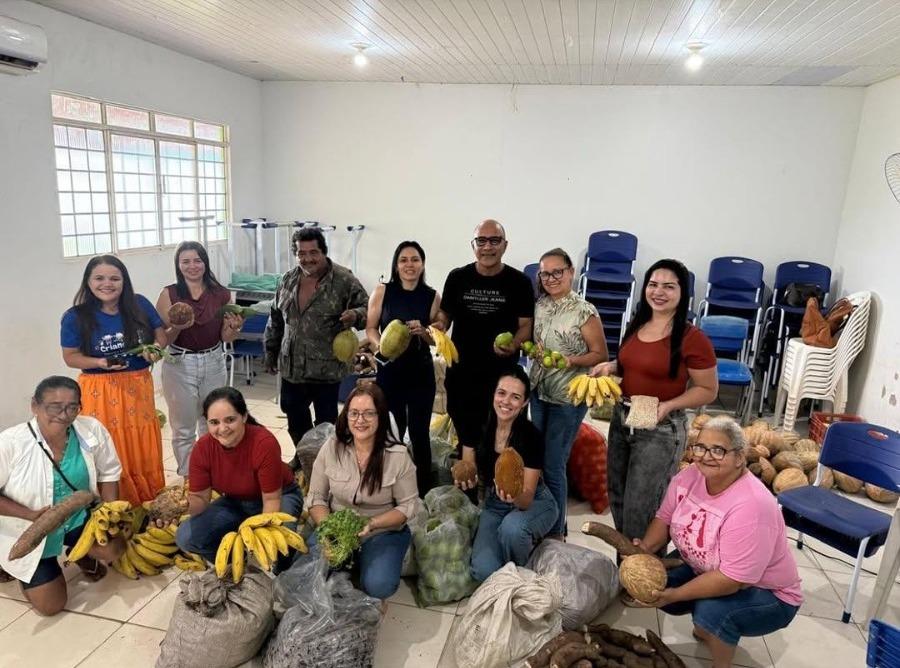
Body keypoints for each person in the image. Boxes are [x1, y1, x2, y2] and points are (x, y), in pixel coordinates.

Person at [637, 416, 802, 668]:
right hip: (709, 568)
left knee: (710, 609)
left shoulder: (752, 506)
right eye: (700, 447)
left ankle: (720, 659)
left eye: (718, 450)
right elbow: (664, 518)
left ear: (739, 457)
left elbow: (732, 580)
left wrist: (675, 595)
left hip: (770, 594)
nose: (705, 456)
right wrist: (644, 552)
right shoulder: (689, 476)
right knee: (657, 579)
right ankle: (708, 628)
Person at [590, 259, 718, 550]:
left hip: (660, 428)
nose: (659, 292)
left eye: (669, 286)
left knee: (643, 512)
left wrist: (669, 405)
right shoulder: (638, 324)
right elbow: (635, 364)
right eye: (653, 284)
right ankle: (630, 572)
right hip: (623, 418)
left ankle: (647, 581)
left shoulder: (692, 338)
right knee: (619, 500)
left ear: (682, 293)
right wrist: (611, 367)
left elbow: (708, 390)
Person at [0, 376, 125, 616]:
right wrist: (29, 514)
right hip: (30, 530)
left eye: (72, 407)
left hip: (78, 517)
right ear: (35, 406)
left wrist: (110, 514)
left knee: (114, 548)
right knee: (51, 606)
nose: (64, 414)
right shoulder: (10, 443)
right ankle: (19, 567)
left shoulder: (91, 429)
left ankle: (79, 552)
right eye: (54, 406)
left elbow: (109, 471)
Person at [61, 255, 167, 505]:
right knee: (106, 443)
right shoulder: (75, 316)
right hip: (99, 389)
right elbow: (70, 357)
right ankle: (112, 506)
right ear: (88, 282)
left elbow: (160, 336)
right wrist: (99, 363)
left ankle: (146, 501)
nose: (106, 284)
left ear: (124, 281)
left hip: (137, 386)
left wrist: (154, 350)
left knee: (140, 442)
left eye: (114, 278)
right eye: (99, 278)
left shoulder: (139, 304)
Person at [307, 383, 418, 599]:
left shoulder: (397, 456)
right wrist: (329, 529)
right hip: (337, 528)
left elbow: (408, 506)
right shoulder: (332, 448)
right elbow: (316, 497)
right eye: (354, 413)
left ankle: (365, 560)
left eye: (369, 414)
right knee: (310, 572)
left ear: (380, 417)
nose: (360, 420)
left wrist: (372, 523)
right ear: (346, 416)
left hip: (382, 531)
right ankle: (351, 561)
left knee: (379, 586)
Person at [436, 219, 535, 456]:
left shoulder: (519, 282)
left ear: (505, 245)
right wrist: (438, 326)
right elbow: (445, 315)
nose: (487, 247)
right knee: (462, 423)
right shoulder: (457, 277)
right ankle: (466, 473)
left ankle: (491, 480)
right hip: (461, 370)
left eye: (494, 240)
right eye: (481, 241)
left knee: (495, 430)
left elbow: (526, 326)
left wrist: (514, 344)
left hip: (499, 374)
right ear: (473, 245)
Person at [529, 248, 608, 539]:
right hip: (539, 390)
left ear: (571, 271)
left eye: (557, 272)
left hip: (568, 397)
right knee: (537, 458)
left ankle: (556, 531)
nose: (551, 278)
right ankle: (543, 519)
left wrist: (571, 361)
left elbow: (600, 354)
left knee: (553, 463)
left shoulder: (584, 311)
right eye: (545, 273)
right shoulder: (540, 305)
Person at [264, 227, 369, 446]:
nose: (308, 258)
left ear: (323, 252)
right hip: (292, 367)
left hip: (326, 369)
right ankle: (303, 458)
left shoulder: (343, 279)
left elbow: (368, 309)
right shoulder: (287, 280)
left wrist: (355, 315)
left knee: (326, 425)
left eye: (313, 253)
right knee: (295, 419)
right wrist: (271, 352)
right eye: (302, 253)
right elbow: (275, 318)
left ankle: (327, 464)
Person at [175, 387, 303, 564]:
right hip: (235, 501)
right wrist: (179, 506)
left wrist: (260, 538)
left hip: (280, 495)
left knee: (279, 546)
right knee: (186, 536)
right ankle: (234, 565)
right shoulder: (202, 449)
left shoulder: (263, 443)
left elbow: (271, 499)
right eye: (214, 422)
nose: (223, 429)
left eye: (230, 420)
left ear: (243, 416)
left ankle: (282, 571)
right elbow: (200, 499)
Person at [155, 241, 244, 478]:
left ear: (205, 263)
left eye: (197, 260)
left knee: (214, 421)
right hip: (179, 363)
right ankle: (189, 477)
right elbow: (163, 338)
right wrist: (177, 326)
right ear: (178, 265)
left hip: (214, 360)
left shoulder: (221, 293)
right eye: (185, 261)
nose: (192, 266)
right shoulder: (169, 294)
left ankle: (214, 473)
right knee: (183, 427)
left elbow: (226, 336)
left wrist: (234, 329)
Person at [464, 367, 558, 582]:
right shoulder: (476, 424)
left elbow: (526, 499)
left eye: (515, 397)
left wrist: (514, 496)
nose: (506, 402)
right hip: (495, 503)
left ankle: (524, 567)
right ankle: (516, 552)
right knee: (482, 572)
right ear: (493, 394)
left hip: (535, 501)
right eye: (501, 393)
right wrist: (465, 476)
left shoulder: (531, 436)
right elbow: (467, 466)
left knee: (513, 529)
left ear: (524, 403)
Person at [366, 241, 440, 497]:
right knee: (391, 432)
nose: (410, 265)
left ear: (422, 264)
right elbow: (371, 328)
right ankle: (389, 490)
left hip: (420, 373)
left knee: (420, 435)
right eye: (404, 260)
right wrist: (381, 348)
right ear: (396, 265)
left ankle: (423, 493)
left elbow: (436, 339)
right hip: (390, 373)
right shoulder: (383, 291)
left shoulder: (432, 296)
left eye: (415, 259)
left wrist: (425, 332)